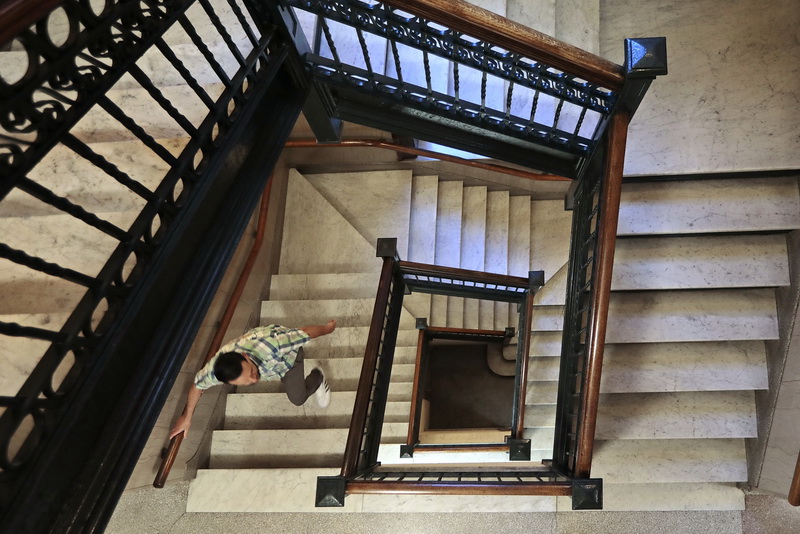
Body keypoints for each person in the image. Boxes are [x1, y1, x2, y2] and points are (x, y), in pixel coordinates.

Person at [169, 320, 336, 439]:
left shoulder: (274, 343)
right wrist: (187, 417)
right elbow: (197, 386)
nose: (254, 379)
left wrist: (328, 329)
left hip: (288, 361)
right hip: (269, 363)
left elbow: (305, 332)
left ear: (244, 357)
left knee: (298, 399)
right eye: (246, 382)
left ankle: (318, 377)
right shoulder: (215, 371)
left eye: (251, 372)